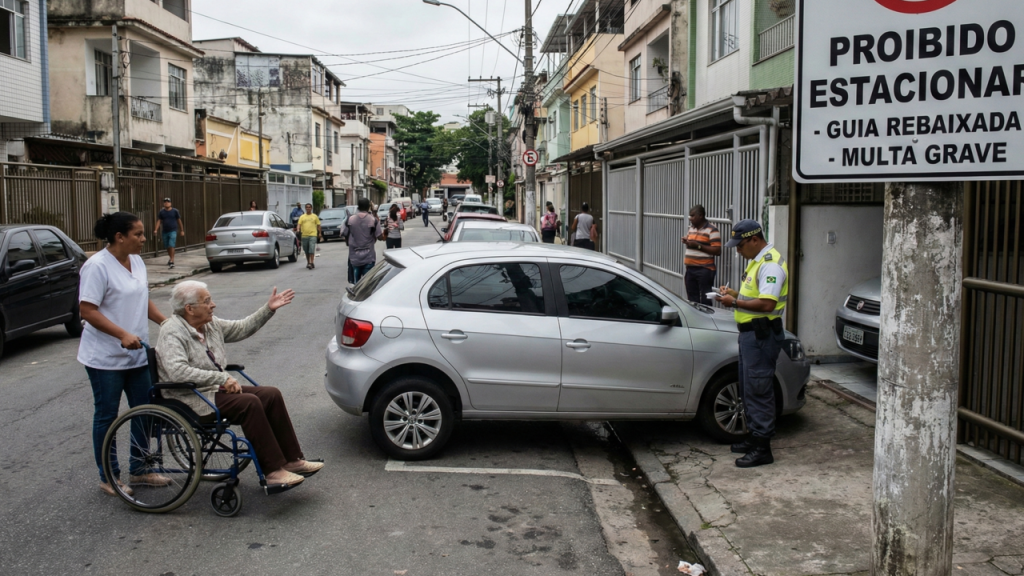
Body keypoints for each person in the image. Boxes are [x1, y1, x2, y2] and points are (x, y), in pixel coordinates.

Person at [157, 281, 323, 488]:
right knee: (249, 403)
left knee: (271, 394)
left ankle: (292, 460)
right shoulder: (172, 331)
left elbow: (242, 328)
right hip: (190, 397)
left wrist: (268, 309)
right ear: (189, 309)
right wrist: (222, 378)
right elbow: (177, 371)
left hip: (213, 390)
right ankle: (273, 470)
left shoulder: (210, 325)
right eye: (207, 301)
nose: (213, 305)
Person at [78, 212, 169, 496]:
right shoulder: (97, 267)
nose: (144, 239)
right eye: (138, 234)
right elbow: (87, 310)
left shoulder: (137, 261)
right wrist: (121, 334)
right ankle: (109, 476)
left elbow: (142, 299)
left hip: (137, 354)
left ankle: (140, 469)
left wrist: (166, 323)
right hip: (105, 358)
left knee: (145, 410)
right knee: (107, 416)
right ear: (120, 237)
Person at [716, 219, 789, 468]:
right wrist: (734, 294)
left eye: (740, 245)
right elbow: (755, 297)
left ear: (754, 240)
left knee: (759, 390)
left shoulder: (771, 266)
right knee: (748, 388)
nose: (737, 250)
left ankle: (762, 448)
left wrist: (734, 303)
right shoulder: (757, 262)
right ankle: (753, 437)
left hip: (761, 336)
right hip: (751, 335)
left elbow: (767, 304)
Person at [682, 205, 723, 306]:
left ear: (700, 215)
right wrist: (687, 242)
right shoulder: (691, 228)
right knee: (692, 299)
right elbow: (693, 244)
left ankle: (707, 319)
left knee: (705, 299)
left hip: (705, 269)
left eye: (692, 216)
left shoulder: (712, 229)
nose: (690, 218)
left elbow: (717, 251)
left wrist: (698, 246)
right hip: (690, 269)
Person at [341, 197, 384, 283]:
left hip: (354, 257)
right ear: (368, 207)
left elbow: (344, 233)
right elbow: (380, 237)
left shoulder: (350, 220)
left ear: (358, 206)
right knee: (368, 283)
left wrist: (348, 241)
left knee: (357, 284)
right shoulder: (373, 220)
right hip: (369, 257)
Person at [155, 198, 184, 269]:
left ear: (170, 203)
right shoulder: (162, 212)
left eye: (168, 202)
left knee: (171, 244)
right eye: (165, 202)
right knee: (167, 246)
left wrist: (182, 230)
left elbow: (179, 221)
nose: (166, 203)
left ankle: (172, 260)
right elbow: (159, 221)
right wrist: (156, 229)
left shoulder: (175, 211)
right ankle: (170, 258)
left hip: (173, 230)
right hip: (165, 231)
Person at [296, 203, 322, 270]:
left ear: (311, 208)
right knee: (306, 250)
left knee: (311, 249)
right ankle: (308, 262)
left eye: (309, 207)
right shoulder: (302, 217)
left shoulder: (315, 216)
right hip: (304, 235)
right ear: (305, 208)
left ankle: (312, 262)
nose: (308, 208)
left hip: (313, 235)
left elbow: (318, 225)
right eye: (307, 207)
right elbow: (299, 224)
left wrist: (319, 233)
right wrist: (298, 229)